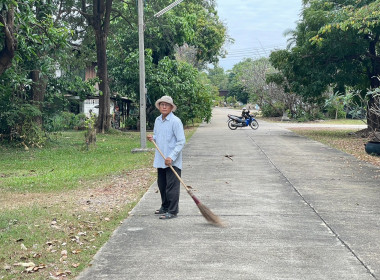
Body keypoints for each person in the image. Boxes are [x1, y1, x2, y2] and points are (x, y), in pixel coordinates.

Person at [147, 96, 186, 220]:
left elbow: (181, 141)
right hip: (161, 158)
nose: (164, 107)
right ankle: (164, 206)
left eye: (167, 105)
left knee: (171, 187)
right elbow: (159, 136)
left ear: (171, 107)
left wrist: (171, 156)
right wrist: (153, 138)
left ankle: (173, 210)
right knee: (162, 185)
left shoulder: (175, 121)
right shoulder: (158, 120)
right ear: (159, 107)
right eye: (162, 104)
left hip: (171, 161)